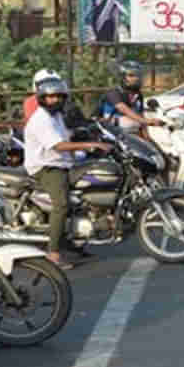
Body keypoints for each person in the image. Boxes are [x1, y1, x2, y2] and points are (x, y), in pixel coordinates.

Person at [23, 78, 111, 270]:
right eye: (50, 97)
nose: (54, 100)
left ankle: (72, 242)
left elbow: (67, 137)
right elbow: (59, 145)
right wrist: (90, 145)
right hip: (46, 167)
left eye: (58, 97)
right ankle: (53, 252)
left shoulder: (56, 116)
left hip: (62, 162)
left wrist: (90, 135)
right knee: (62, 203)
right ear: (42, 98)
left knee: (83, 191)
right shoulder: (42, 119)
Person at [99, 60, 164, 134]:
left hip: (129, 135)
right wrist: (147, 121)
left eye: (138, 75)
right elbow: (124, 109)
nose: (136, 78)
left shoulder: (138, 95)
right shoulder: (114, 93)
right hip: (109, 134)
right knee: (132, 123)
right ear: (123, 77)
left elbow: (140, 116)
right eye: (131, 75)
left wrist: (147, 138)